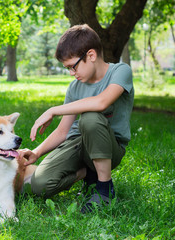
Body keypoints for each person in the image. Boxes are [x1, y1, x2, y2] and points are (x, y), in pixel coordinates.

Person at [18, 24, 134, 213]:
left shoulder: (120, 71)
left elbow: (101, 102)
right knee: (39, 185)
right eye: (68, 69)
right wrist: (36, 152)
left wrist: (54, 110)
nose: (72, 73)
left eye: (73, 66)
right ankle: (88, 174)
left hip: (110, 148)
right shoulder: (74, 88)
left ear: (91, 55)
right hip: (78, 144)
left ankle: (104, 190)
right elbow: (63, 131)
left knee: (90, 118)